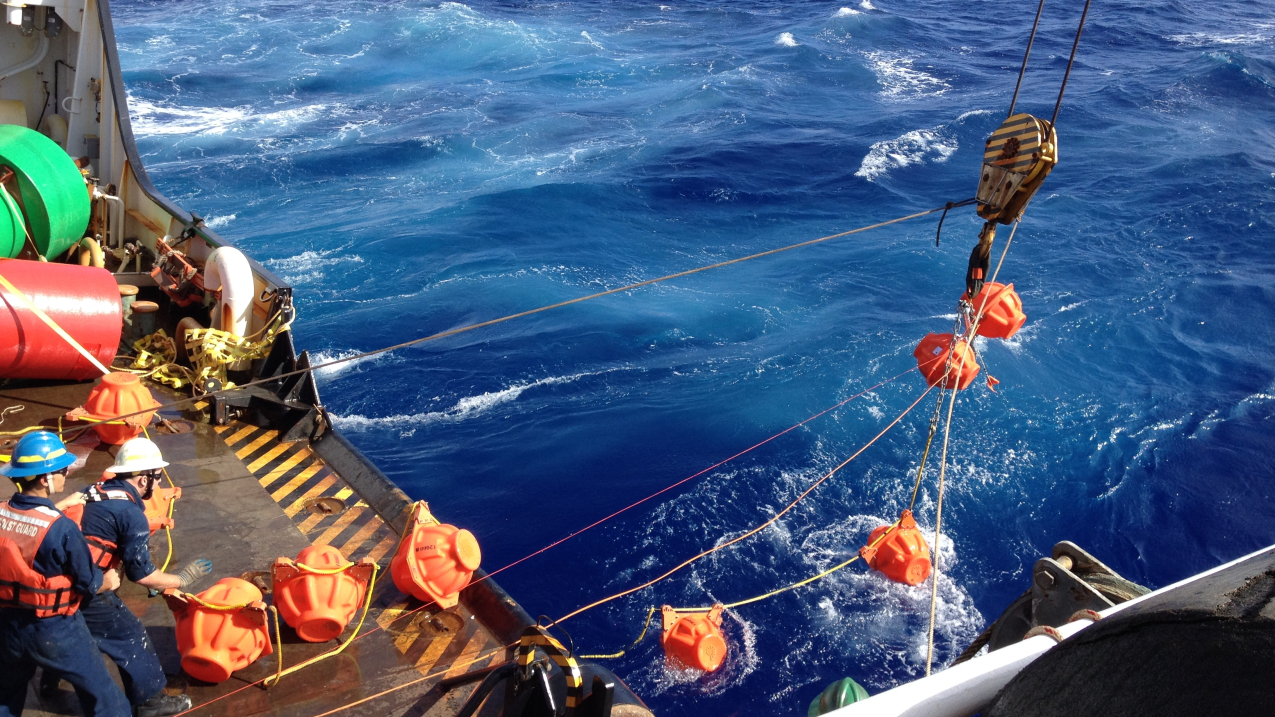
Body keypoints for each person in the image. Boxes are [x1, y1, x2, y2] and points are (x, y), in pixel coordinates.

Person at [74, 437, 212, 717]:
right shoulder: (130, 514)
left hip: (63, 575)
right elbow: (143, 575)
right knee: (131, 635)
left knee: (72, 635)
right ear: (141, 480)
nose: (158, 484)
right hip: (87, 586)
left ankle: (50, 683)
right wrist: (182, 579)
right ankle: (150, 702)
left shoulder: (96, 490)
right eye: (156, 477)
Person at [0, 431, 129, 717]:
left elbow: (25, 527)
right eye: (63, 470)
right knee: (106, 698)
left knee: (6, 694)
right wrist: (107, 581)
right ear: (45, 478)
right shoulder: (63, 529)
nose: (66, 474)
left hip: (7, 625)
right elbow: (88, 582)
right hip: (54, 630)